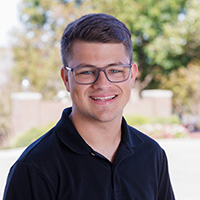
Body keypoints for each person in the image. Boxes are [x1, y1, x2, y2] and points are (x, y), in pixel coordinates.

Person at [3, 13, 175, 200]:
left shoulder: (152, 155)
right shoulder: (34, 168)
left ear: (132, 75)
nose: (102, 84)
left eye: (115, 70)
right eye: (86, 72)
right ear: (66, 79)